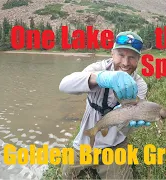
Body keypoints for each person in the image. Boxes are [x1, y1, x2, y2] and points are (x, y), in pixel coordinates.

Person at [58, 31, 149, 179]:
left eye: (132, 57)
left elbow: (126, 127)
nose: (126, 63)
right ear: (112, 53)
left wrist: (128, 122)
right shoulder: (98, 68)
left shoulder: (140, 85)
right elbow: (64, 85)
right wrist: (99, 78)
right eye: (121, 55)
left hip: (115, 145)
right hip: (84, 142)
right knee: (66, 175)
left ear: (138, 59)